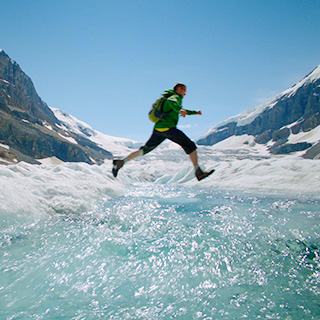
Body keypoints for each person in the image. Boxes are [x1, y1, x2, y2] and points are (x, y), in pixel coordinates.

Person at [112, 83, 214, 181]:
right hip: (168, 128)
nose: (185, 93)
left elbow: (180, 109)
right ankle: (198, 171)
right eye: (184, 90)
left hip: (158, 129)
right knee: (190, 146)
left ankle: (121, 162)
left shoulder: (168, 98)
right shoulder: (175, 97)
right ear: (179, 89)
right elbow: (173, 102)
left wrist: (195, 112)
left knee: (143, 150)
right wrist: (179, 110)